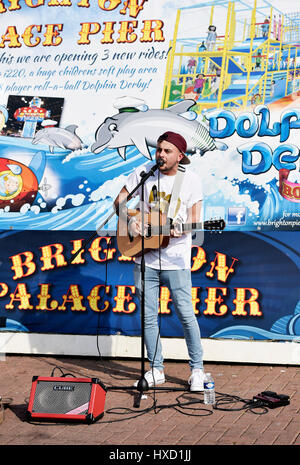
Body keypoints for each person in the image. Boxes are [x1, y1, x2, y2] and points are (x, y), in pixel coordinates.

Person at [114, 131, 205, 391]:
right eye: (159, 150)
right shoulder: (144, 172)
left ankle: (197, 370)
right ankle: (156, 369)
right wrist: (131, 220)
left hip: (176, 260)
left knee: (186, 315)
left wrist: (181, 229)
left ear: (180, 156)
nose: (161, 155)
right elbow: (119, 201)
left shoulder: (191, 181)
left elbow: (197, 224)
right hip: (145, 257)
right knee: (148, 316)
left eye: (167, 151)